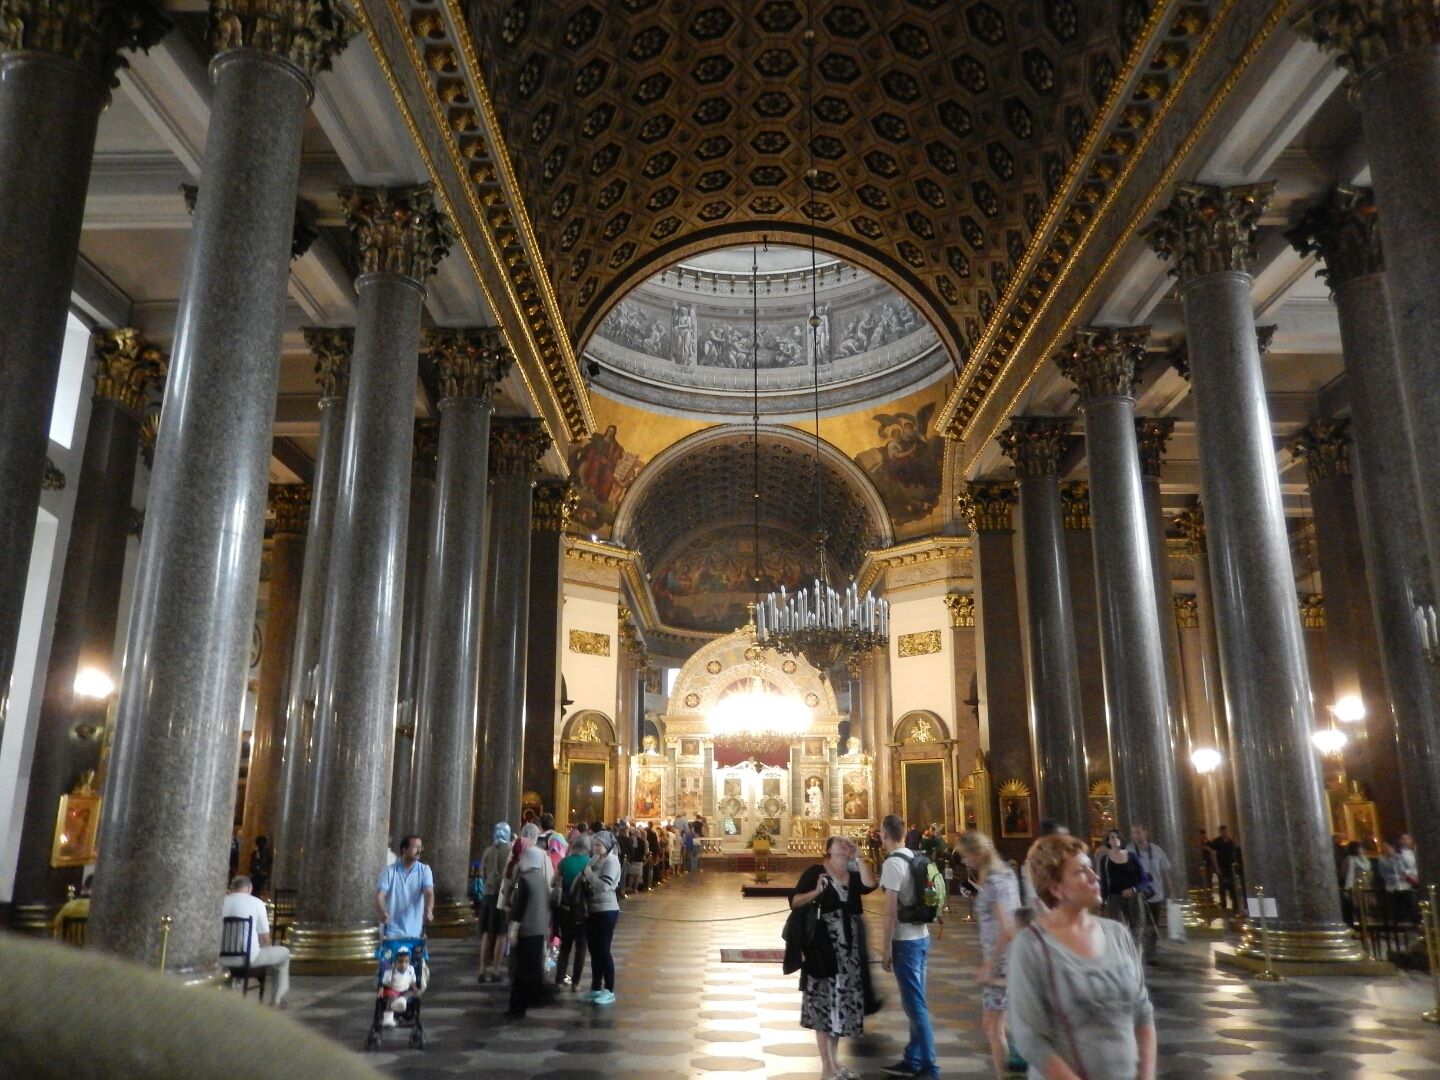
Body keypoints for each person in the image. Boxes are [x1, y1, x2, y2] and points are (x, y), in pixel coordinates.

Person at [1008, 834, 1157, 1080]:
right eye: (1080, 872)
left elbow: (1143, 1012)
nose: (1094, 876)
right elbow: (1030, 1038)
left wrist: (1146, 1076)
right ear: (1055, 887)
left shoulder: (1117, 934)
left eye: (1090, 867)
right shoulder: (1031, 946)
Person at [789, 836, 878, 1080]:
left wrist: (859, 856)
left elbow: (871, 884)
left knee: (841, 1005)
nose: (844, 845)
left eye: (847, 843)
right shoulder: (815, 872)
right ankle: (827, 1066)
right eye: (839, 843)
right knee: (823, 1006)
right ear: (828, 850)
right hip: (822, 948)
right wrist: (816, 891)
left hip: (848, 950)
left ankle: (836, 1063)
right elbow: (795, 901)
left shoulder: (853, 873)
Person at [878, 813, 938, 1079]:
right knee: (917, 1002)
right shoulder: (914, 856)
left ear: (884, 835)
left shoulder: (893, 864)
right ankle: (913, 1059)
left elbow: (890, 911)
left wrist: (885, 947)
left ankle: (929, 1067)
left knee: (915, 1006)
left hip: (905, 941)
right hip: (922, 935)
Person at [959, 831, 1022, 1080]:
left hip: (1002, 961)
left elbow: (1006, 926)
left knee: (993, 1027)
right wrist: (977, 894)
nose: (965, 862)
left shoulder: (995, 880)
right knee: (996, 1024)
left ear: (978, 853)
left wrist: (990, 964)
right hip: (1007, 958)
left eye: (966, 856)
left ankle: (1006, 1076)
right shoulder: (1004, 874)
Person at [503, 845, 556, 1019]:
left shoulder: (524, 879)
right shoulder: (541, 878)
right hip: (539, 929)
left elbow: (519, 906)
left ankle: (517, 1007)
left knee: (522, 970)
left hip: (526, 929)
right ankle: (538, 997)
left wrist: (513, 929)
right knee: (534, 967)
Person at [221, 875, 291, 1006]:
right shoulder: (257, 903)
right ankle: (277, 999)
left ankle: (232, 992)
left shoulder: (221, 901)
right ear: (249, 888)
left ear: (232, 888)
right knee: (284, 954)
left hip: (221, 959)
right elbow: (265, 938)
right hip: (248, 959)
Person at [581, 829, 622, 1005]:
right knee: (594, 950)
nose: (595, 848)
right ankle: (596, 987)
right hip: (593, 909)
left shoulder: (612, 861)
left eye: (599, 845)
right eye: (594, 844)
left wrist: (589, 876)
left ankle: (609, 989)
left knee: (603, 950)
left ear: (607, 845)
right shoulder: (596, 859)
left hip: (607, 909)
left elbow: (604, 886)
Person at [1127, 825, 1173, 960]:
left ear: (1145, 832)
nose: (1136, 835)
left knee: (1153, 924)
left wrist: (1170, 891)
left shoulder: (1157, 851)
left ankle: (1151, 952)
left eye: (1138, 832)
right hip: (1137, 894)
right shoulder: (1129, 851)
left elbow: (1165, 872)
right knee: (1140, 923)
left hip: (1156, 894)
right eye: (1133, 833)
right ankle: (1138, 951)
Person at [376, 835, 434, 940]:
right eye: (415, 847)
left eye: (420, 847)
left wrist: (429, 910)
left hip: (415, 930)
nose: (419, 850)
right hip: (391, 930)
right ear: (404, 849)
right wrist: (382, 912)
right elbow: (380, 896)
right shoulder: (389, 871)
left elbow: (429, 892)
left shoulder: (425, 870)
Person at [555, 835, 591, 989]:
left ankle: (559, 979)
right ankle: (575, 982)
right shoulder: (588, 863)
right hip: (582, 910)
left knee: (565, 945)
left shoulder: (564, 862)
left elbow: (553, 881)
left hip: (565, 908)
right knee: (581, 946)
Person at [477, 823, 512, 983]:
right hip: (502, 895)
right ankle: (496, 970)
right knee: (501, 933)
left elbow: (481, 873)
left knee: (486, 932)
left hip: (487, 894)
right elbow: (513, 874)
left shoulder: (487, 851)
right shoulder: (510, 850)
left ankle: (482, 969)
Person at [1098, 829, 1144, 950]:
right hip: (1114, 897)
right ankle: (1123, 951)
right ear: (1108, 841)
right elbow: (1104, 880)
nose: (1115, 839)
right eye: (1112, 837)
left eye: (1117, 837)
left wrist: (1134, 889)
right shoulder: (1105, 860)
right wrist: (1103, 899)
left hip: (1132, 896)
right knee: (1119, 926)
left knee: (1136, 926)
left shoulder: (1131, 856)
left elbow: (1143, 878)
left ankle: (1135, 950)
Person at [376, 946, 418, 1027]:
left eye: (406, 962)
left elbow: (413, 980)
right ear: (394, 962)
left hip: (405, 989)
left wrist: (415, 987)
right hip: (393, 989)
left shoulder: (411, 969)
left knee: (411, 993)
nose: (403, 965)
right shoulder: (390, 971)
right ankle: (388, 1019)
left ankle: (402, 999)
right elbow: (383, 982)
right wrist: (381, 990)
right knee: (392, 998)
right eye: (400, 962)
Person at [1208, 826, 1240, 913]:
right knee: (1222, 886)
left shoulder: (1230, 841)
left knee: (1232, 885)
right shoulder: (1216, 842)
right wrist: (1216, 867)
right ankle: (1223, 905)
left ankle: (1235, 904)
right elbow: (1213, 855)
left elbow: (1233, 852)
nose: (1225, 833)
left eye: (1226, 832)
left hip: (1229, 867)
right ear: (1221, 832)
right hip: (1221, 866)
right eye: (1223, 832)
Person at [1340, 840, 1371, 926]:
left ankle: (1366, 924)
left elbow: (1368, 871)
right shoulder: (1349, 859)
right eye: (1360, 848)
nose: (1362, 850)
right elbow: (1344, 873)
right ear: (1355, 849)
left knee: (1365, 907)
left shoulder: (1364, 859)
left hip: (1365, 884)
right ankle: (1357, 925)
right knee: (1356, 906)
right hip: (1354, 885)